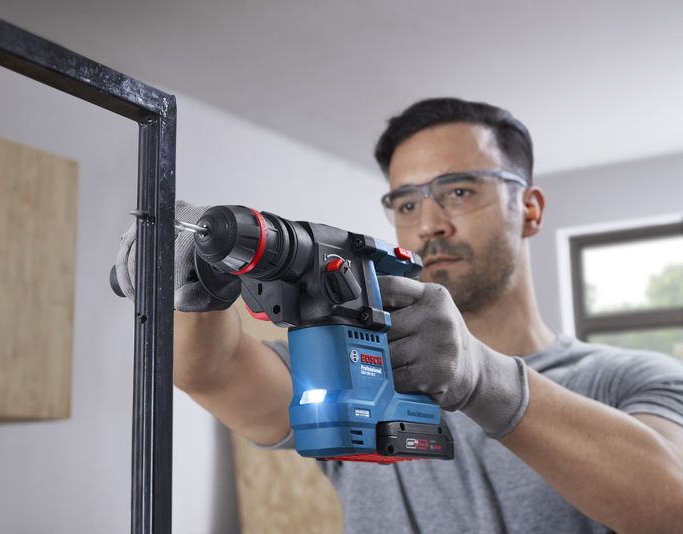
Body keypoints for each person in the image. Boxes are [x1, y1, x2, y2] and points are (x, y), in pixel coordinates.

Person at [115, 98, 683, 533]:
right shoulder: (351, 365)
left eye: (458, 192)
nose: (429, 223)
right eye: (407, 202)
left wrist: (483, 378)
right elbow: (209, 371)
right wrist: (196, 281)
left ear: (529, 209)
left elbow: (670, 505)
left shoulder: (627, 378)